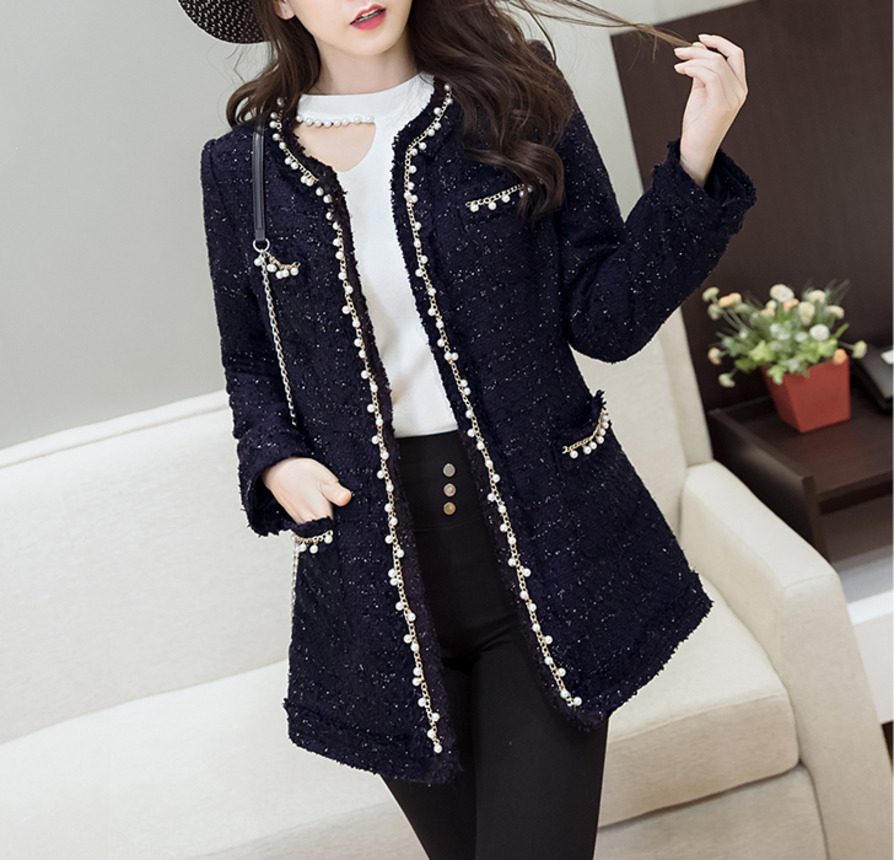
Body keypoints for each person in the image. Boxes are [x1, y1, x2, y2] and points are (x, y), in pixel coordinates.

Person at [179, 1, 754, 857]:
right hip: (375, 583)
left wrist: (696, 159)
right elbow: (250, 360)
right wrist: (275, 461)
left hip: (542, 551)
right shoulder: (244, 169)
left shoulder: (515, 98)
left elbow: (607, 318)